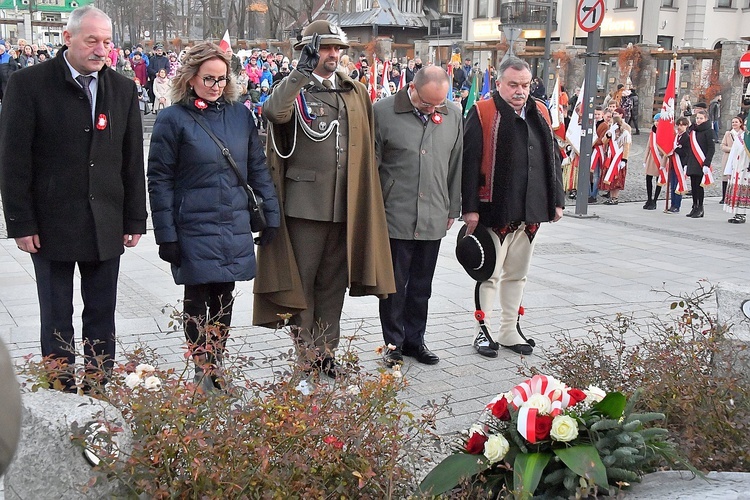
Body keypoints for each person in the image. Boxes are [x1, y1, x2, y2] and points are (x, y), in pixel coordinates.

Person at [0, 5, 147, 392]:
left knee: (101, 315)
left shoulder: (122, 88)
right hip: (51, 225)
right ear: (68, 38)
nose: (101, 50)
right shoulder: (29, 84)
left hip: (105, 223)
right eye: (92, 41)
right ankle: (60, 392)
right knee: (56, 316)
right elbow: (13, 160)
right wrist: (20, 221)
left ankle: (98, 390)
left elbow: (132, 159)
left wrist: (135, 218)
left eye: (107, 42)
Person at [254, 20, 395, 378]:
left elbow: (368, 145)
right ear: (308, 51)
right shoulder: (295, 88)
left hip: (345, 204)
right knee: (302, 284)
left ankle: (325, 354)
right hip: (305, 205)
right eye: (325, 48)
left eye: (337, 49)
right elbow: (274, 113)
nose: (332, 55)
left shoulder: (354, 91)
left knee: (332, 285)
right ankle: (306, 356)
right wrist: (299, 73)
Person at [148, 42, 279, 391]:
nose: (216, 86)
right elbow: (159, 180)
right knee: (197, 295)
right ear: (190, 78)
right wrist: (166, 235)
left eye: (222, 79)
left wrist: (272, 215)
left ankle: (216, 363)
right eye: (209, 78)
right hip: (192, 223)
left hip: (232, 221)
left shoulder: (240, 115)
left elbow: (258, 169)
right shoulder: (172, 119)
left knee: (224, 295)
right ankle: (200, 364)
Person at [461, 56, 564, 358]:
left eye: (525, 85)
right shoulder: (482, 112)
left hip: (531, 209)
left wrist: (556, 200)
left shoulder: (541, 111)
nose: (520, 91)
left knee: (517, 274)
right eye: (513, 85)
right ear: (499, 83)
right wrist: (469, 208)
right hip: (495, 207)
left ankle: (509, 329)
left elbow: (553, 159)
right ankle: (484, 331)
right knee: (490, 273)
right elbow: (468, 164)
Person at [374, 66, 463, 367]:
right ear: (411, 87)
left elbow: (455, 163)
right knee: (394, 286)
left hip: (433, 213)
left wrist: (452, 208)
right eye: (427, 103)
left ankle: (415, 340)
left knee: (422, 286)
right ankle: (393, 343)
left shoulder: (453, 114)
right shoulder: (383, 112)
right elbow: (371, 167)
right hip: (395, 213)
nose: (433, 109)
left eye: (438, 103)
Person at [685, 108, 715, 218]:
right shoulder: (693, 131)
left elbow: (711, 148)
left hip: (701, 162)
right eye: (697, 118)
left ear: (706, 119)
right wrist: (686, 162)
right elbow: (689, 148)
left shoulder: (709, 131)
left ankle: (700, 207)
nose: (698, 120)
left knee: (699, 186)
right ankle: (694, 206)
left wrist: (707, 163)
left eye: (701, 118)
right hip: (692, 161)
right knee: (693, 185)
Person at [600, 108, 631, 205]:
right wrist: (609, 134)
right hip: (611, 158)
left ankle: (615, 198)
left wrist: (624, 160)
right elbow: (604, 141)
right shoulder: (611, 132)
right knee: (611, 178)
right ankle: (611, 197)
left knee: (617, 179)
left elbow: (627, 147)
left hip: (619, 159)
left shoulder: (625, 134)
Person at [723, 117, 750, 223]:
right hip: (737, 168)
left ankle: (742, 214)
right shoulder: (740, 137)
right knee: (736, 191)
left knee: (744, 191)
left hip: (746, 169)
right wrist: (729, 170)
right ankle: (737, 212)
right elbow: (733, 154)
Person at [668, 116, 691, 213]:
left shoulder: (687, 137)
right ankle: (672, 204)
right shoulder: (676, 136)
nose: (680, 127)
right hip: (673, 164)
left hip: (681, 164)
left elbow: (686, 153)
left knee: (678, 186)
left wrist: (676, 148)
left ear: (686, 126)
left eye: (683, 125)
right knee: (672, 185)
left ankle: (677, 205)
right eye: (679, 125)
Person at [720, 115, 744, 204]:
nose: (734, 124)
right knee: (725, 177)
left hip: (739, 158)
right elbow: (722, 146)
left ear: (740, 123)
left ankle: (734, 196)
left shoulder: (743, 134)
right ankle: (723, 197)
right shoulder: (728, 133)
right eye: (733, 122)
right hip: (727, 157)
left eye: (736, 122)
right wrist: (732, 149)